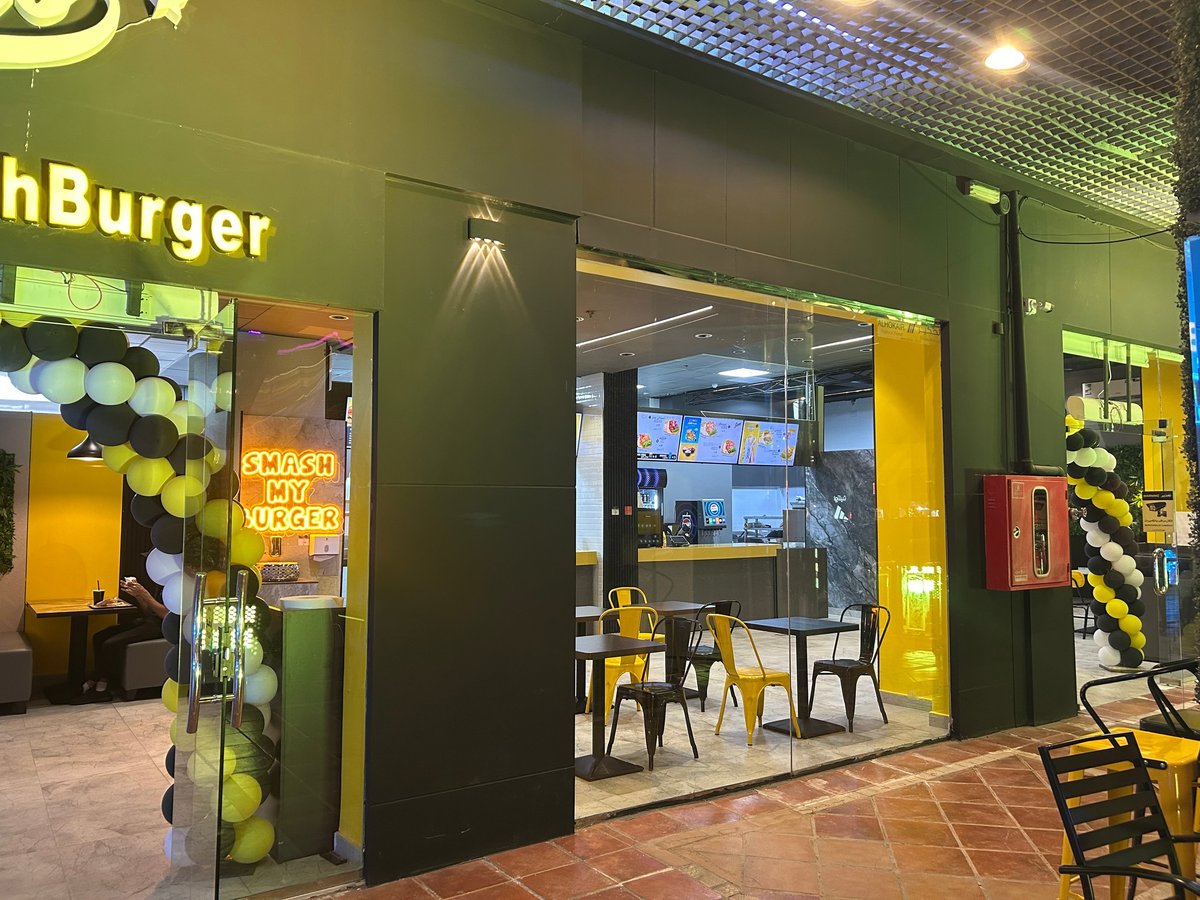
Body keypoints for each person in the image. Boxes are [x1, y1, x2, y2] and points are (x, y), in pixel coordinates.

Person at [72, 576, 167, 704]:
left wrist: (145, 593)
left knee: (110, 644)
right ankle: (101, 683)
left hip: (164, 628)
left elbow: (167, 616)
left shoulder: (178, 585)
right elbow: (149, 614)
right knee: (99, 637)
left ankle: (97, 685)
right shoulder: (161, 583)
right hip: (150, 622)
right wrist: (139, 597)